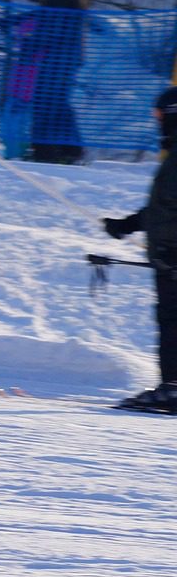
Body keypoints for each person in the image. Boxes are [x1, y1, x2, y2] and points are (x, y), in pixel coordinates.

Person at [99, 87, 177, 413]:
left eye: (159, 116)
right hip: (167, 254)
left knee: (172, 321)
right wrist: (127, 225)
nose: (156, 122)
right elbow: (163, 209)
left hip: (172, 257)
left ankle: (173, 389)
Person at [28, 0, 88, 164]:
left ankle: (47, 153)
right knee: (57, 102)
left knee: (47, 101)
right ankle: (70, 151)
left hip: (59, 58)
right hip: (63, 58)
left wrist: (32, 42)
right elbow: (48, 20)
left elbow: (52, 27)